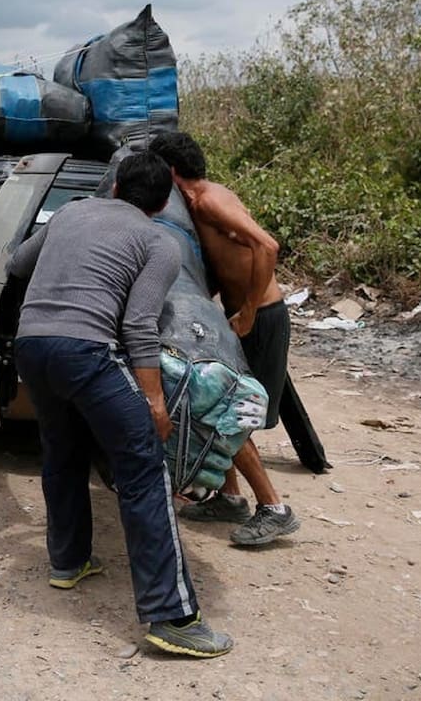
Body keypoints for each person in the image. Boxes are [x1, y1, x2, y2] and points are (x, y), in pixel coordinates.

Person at [10, 151, 234, 659]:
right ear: (161, 204)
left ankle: (68, 562)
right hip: (84, 351)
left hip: (31, 346)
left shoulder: (70, 213)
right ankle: (171, 616)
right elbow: (137, 326)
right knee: (143, 470)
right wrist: (154, 401)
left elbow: (16, 263)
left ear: (114, 189)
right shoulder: (158, 242)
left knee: (62, 453)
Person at [149, 131, 300, 546]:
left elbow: (267, 246)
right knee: (213, 397)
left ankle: (274, 508)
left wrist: (249, 310)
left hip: (262, 315)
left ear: (172, 173)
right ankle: (230, 498)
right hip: (235, 315)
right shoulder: (192, 209)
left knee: (230, 411)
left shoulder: (208, 200)